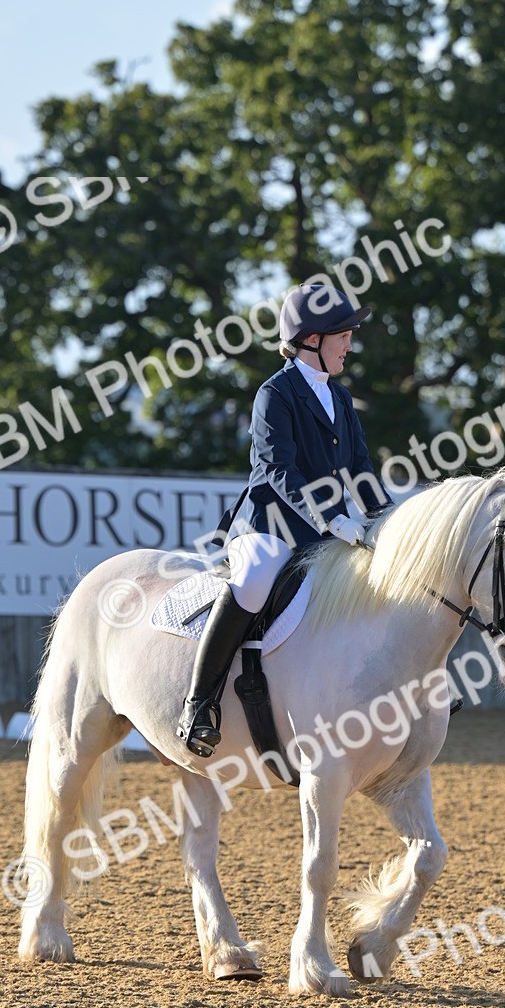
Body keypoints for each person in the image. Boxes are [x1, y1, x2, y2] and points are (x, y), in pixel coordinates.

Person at [176, 282, 389, 757]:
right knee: (252, 584)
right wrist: (335, 518)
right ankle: (199, 703)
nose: (350, 344)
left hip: (321, 530)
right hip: (269, 524)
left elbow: (359, 467)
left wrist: (382, 517)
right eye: (343, 335)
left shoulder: (340, 397)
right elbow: (278, 470)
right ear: (311, 339)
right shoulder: (275, 394)